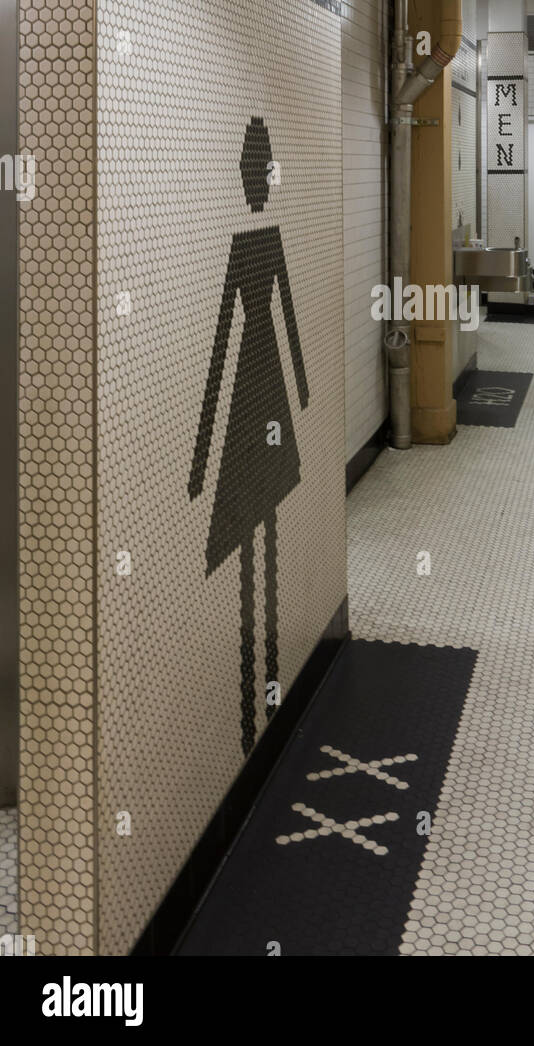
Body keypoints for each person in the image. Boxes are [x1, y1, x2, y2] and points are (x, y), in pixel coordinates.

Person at [189, 117, 308, 755]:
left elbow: (275, 319)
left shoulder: (257, 242)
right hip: (257, 390)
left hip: (253, 389)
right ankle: (254, 689)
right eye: (250, 170)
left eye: (256, 170)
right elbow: (224, 343)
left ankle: (263, 681)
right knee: (250, 526)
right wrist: (204, 448)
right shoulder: (251, 242)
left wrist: (308, 388)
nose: (253, 180)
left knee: (257, 523)